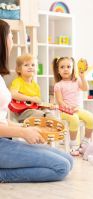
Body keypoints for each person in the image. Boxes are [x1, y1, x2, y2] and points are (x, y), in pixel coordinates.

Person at [0, 19, 72, 183]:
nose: (12, 40)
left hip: (5, 140)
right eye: (10, 35)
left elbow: (2, 120)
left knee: (68, 160)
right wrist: (23, 132)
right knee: (61, 167)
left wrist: (27, 127)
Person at [53, 57, 93, 156]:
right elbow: (60, 101)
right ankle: (73, 145)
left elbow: (85, 88)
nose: (66, 69)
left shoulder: (77, 81)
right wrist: (68, 108)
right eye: (62, 67)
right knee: (74, 119)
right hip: (65, 111)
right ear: (58, 70)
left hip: (78, 109)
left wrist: (82, 77)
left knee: (91, 118)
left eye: (68, 66)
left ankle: (85, 142)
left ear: (73, 69)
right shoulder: (58, 85)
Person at [10, 53, 55, 122]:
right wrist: (30, 98)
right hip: (21, 112)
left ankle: (50, 131)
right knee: (39, 114)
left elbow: (37, 104)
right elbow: (13, 94)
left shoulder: (36, 86)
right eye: (26, 65)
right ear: (19, 69)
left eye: (33, 65)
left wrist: (48, 106)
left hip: (34, 111)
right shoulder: (17, 81)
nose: (30, 67)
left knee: (49, 114)